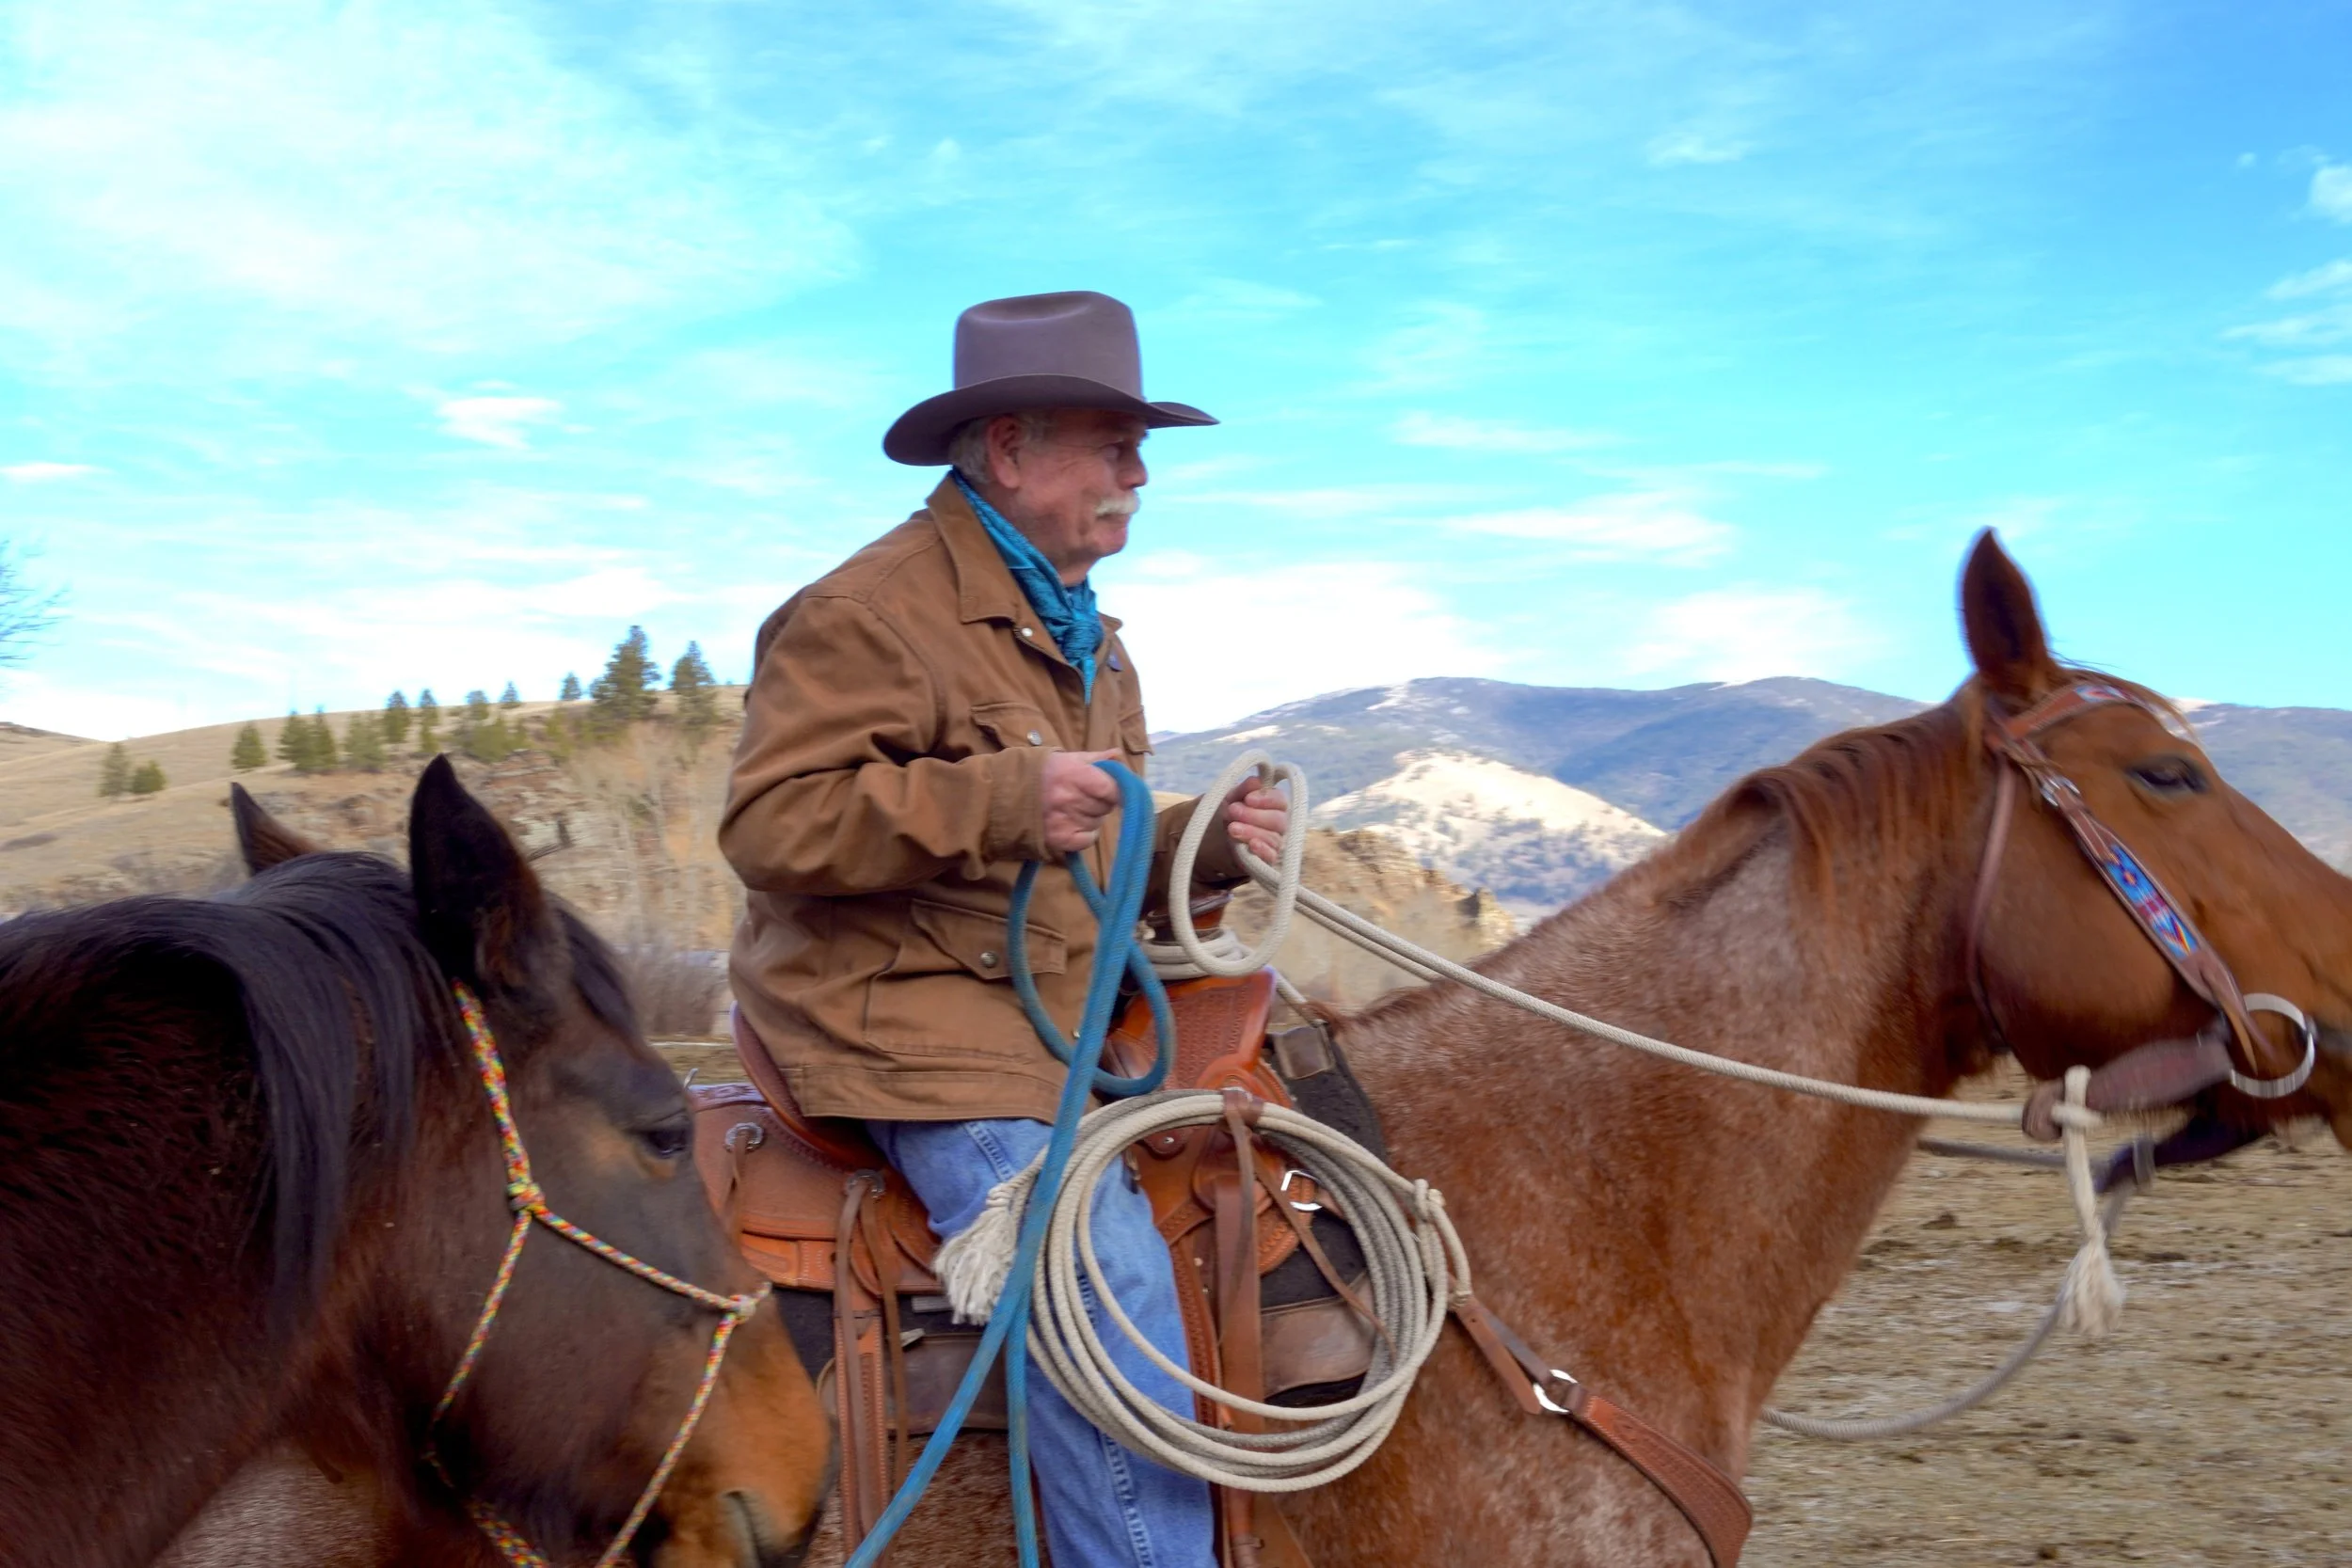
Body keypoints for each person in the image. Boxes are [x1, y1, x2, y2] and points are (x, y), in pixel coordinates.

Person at [720, 290, 1288, 1568]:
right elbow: (772, 824)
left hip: (1063, 1008)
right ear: (1013, 449)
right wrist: (996, 800)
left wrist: (1196, 841)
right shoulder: (863, 612)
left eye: (1141, 446)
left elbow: (1078, 849)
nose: (1139, 472)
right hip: (910, 1025)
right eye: (1110, 441)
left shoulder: (1089, 631)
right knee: (1104, 1279)